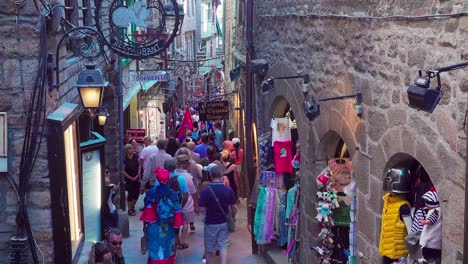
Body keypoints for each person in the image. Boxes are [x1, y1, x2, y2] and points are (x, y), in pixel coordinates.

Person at [140, 168, 183, 264]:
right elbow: (177, 214)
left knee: (155, 250)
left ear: (158, 179)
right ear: (168, 178)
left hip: (155, 226)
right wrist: (176, 230)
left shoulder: (151, 193)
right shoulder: (174, 194)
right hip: (169, 227)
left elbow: (147, 212)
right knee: (167, 250)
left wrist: (144, 226)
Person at [199, 164, 237, 264]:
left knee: (209, 247)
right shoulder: (228, 190)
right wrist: (232, 216)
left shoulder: (205, 191)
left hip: (210, 222)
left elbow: (202, 209)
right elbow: (234, 207)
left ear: (210, 175)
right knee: (223, 245)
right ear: (221, 175)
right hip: (223, 221)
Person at [379, 168, 412, 264]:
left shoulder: (404, 206)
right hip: (386, 252)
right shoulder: (387, 203)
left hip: (399, 255)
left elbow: (410, 231)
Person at [173, 149, 198, 249]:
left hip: (175, 204)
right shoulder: (187, 177)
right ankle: (182, 242)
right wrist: (196, 203)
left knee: (176, 224)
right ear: (185, 165)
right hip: (187, 205)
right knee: (185, 223)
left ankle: (177, 240)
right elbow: (193, 192)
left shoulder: (173, 174)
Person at [419, 188, 442, 264]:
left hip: (431, 242)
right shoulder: (439, 210)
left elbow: (432, 220)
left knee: (428, 255)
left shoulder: (435, 211)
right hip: (434, 242)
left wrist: (425, 222)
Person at [123, 144, 140, 216]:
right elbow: (123, 170)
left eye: (132, 148)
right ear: (127, 150)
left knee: (136, 193)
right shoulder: (125, 158)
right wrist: (131, 178)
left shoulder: (136, 156)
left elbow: (139, 165)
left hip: (136, 177)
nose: (132, 150)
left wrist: (138, 174)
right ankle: (129, 209)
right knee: (130, 194)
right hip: (129, 178)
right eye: (130, 149)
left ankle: (133, 206)